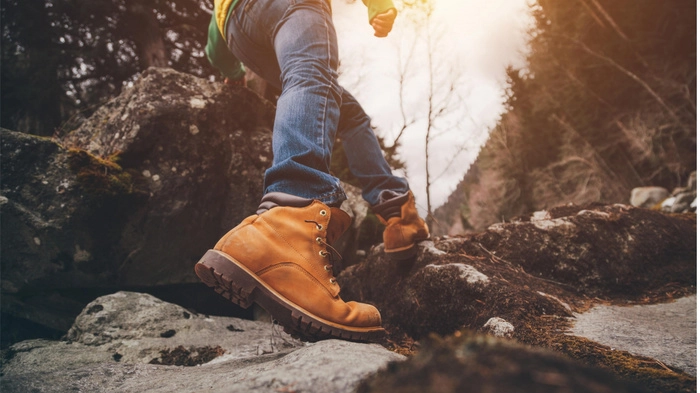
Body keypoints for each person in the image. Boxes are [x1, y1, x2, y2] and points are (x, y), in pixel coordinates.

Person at [195, 0, 429, 341]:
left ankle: (396, 212)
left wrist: (233, 73)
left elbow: (215, 47)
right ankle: (290, 216)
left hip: (237, 30)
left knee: (348, 112)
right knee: (309, 74)